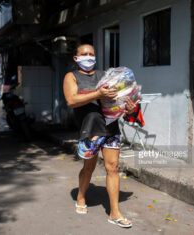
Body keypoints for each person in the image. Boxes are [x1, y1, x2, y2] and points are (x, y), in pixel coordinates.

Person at [63, 44, 138, 228]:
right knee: (88, 168)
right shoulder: (71, 77)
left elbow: (118, 99)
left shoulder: (105, 75)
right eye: (84, 54)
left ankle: (114, 212)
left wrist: (129, 107)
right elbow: (71, 100)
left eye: (91, 54)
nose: (88, 57)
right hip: (90, 129)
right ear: (76, 58)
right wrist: (97, 93)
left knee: (112, 167)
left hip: (110, 127)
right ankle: (80, 196)